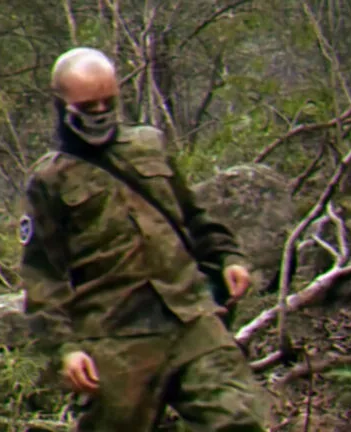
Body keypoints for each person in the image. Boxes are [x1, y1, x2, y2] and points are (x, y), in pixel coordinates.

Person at [18, 47, 272, 431]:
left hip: (189, 316)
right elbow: (42, 277)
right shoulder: (49, 181)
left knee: (240, 419)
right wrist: (65, 349)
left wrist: (228, 258)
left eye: (108, 102)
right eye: (87, 106)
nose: (100, 112)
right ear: (62, 105)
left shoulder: (148, 146)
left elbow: (193, 215)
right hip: (116, 337)